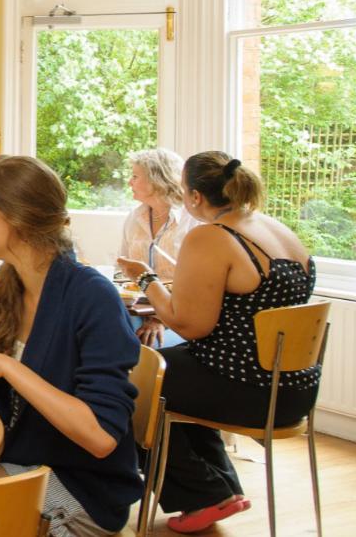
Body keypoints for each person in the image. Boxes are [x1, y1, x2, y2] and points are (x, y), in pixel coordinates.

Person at [0, 155, 142, 537]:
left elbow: (101, 437)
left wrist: (7, 367)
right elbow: (25, 369)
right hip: (22, 460)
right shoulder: (9, 286)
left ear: (18, 219)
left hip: (80, 487)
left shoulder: (92, 296)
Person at [117, 152, 318, 534]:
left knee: (130, 383)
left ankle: (203, 493)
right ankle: (217, 492)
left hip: (246, 387)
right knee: (169, 375)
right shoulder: (277, 230)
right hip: (293, 387)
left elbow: (190, 325)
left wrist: (146, 279)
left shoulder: (212, 237)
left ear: (193, 196)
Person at [118, 149, 195, 347]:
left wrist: (160, 320)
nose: (130, 182)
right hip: (138, 311)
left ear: (157, 179)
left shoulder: (191, 221)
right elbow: (122, 271)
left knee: (141, 346)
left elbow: (196, 287)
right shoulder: (134, 218)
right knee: (104, 335)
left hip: (178, 317)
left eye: (135, 176)